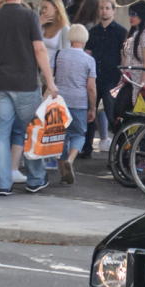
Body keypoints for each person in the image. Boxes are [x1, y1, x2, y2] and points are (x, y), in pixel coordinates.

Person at [0, 0, 59, 195]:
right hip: (26, 83)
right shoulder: (30, 16)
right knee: (31, 132)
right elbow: (39, 49)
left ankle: (3, 183)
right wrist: (50, 81)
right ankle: (35, 179)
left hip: (1, 83)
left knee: (1, 132)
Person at [51, 24, 96, 185]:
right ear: (85, 39)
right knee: (78, 134)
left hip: (60, 101)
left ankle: (64, 173)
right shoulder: (89, 60)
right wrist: (93, 108)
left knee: (60, 138)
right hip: (79, 102)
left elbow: (48, 77)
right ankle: (70, 159)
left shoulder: (59, 55)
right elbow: (90, 87)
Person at [84, 0, 126, 153]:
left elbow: (123, 55)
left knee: (112, 115)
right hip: (94, 78)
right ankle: (86, 149)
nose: (104, 11)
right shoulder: (93, 32)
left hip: (111, 78)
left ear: (114, 10)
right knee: (89, 113)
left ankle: (121, 149)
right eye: (101, 8)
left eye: (107, 8)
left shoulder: (121, 32)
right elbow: (87, 54)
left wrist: (122, 77)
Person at [120, 0, 145, 120]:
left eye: (134, 14)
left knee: (142, 113)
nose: (131, 17)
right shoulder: (134, 33)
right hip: (133, 79)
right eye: (130, 14)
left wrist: (142, 84)